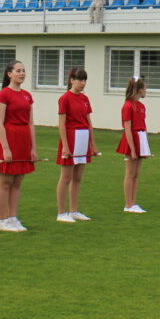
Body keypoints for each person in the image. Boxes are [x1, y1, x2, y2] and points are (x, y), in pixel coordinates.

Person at [0, 60, 36, 233]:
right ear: (9, 73)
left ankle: (13, 217)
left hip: (23, 140)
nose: (22, 73)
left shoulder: (27, 95)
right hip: (8, 138)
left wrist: (33, 148)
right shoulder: (3, 95)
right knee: (6, 181)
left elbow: (30, 123)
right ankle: (2, 219)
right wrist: (6, 148)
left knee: (18, 181)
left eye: (23, 70)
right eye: (18, 70)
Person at [56, 67, 96, 222]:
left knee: (78, 177)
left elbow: (89, 122)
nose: (82, 83)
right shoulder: (64, 98)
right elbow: (62, 124)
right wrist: (65, 146)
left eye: (84, 79)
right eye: (80, 79)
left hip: (83, 137)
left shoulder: (85, 99)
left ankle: (74, 210)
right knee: (66, 177)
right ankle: (61, 212)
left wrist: (92, 143)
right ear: (72, 80)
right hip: (71, 138)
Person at [117, 77, 149, 213]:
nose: (146, 91)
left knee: (136, 173)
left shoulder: (141, 106)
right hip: (131, 140)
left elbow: (144, 125)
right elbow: (127, 128)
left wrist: (145, 146)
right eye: (145, 88)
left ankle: (133, 202)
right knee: (130, 173)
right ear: (139, 90)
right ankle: (128, 204)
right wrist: (133, 149)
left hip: (140, 139)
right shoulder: (128, 106)